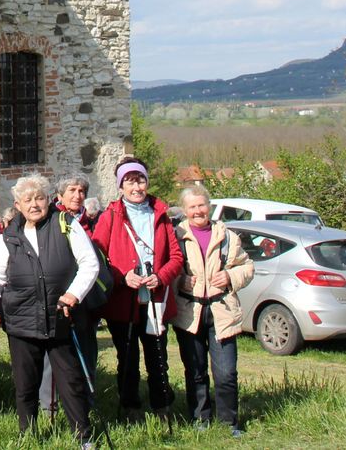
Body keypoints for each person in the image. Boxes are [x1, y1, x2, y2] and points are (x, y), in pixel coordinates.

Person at [0, 174, 99, 443]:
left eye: (39, 198)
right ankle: (28, 436)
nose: (34, 204)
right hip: (21, 321)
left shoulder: (66, 224)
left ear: (48, 200)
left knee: (71, 382)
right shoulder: (9, 235)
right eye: (28, 200)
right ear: (18, 205)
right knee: (25, 385)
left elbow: (89, 264)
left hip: (61, 317)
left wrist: (73, 294)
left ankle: (83, 437)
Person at [92, 156, 183, 421]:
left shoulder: (161, 214)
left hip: (155, 299)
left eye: (140, 180)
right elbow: (97, 258)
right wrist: (122, 278)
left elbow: (176, 257)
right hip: (124, 301)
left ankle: (162, 405)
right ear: (121, 186)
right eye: (130, 181)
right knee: (128, 358)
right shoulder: (110, 216)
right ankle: (131, 407)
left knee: (157, 356)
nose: (136, 187)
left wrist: (161, 276)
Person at [171, 185, 254, 437]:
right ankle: (200, 418)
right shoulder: (176, 236)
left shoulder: (227, 236)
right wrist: (179, 281)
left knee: (226, 372)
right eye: (192, 207)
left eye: (201, 205)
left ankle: (229, 422)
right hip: (190, 312)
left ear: (209, 206)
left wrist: (230, 276)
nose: (198, 211)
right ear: (185, 211)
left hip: (222, 311)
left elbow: (247, 266)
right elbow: (168, 268)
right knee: (195, 371)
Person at [40, 173, 99, 414]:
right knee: (52, 356)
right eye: (72, 190)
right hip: (58, 297)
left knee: (86, 350)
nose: (78, 195)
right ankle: (49, 407)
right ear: (59, 195)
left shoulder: (94, 221)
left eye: (82, 191)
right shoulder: (53, 219)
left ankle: (86, 403)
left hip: (85, 298)